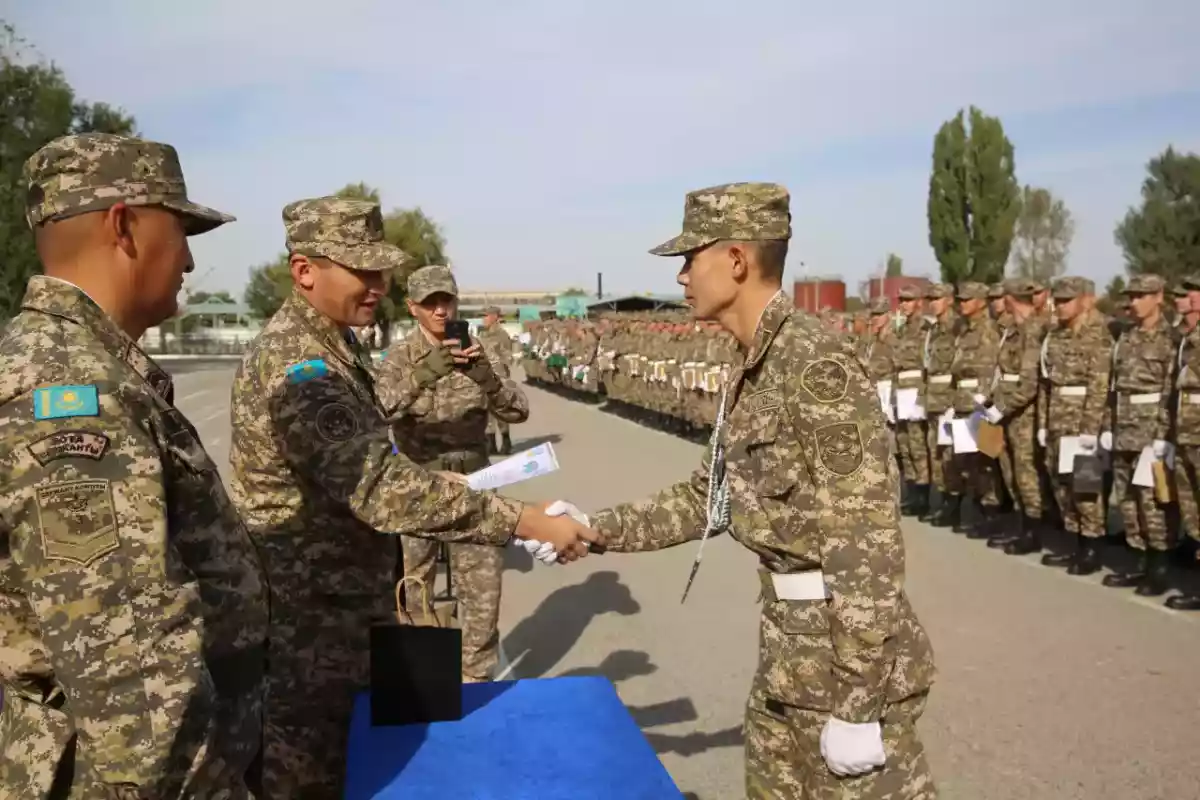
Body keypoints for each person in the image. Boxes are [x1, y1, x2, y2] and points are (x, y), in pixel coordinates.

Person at [570, 183, 937, 799]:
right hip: (789, 659)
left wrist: (856, 703)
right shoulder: (752, 364)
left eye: (692, 257)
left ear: (736, 261)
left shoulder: (815, 365)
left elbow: (865, 544)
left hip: (841, 663)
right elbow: (708, 495)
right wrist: (592, 527)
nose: (683, 275)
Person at [227, 196, 596, 798]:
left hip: (343, 609)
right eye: (361, 270)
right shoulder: (301, 364)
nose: (378, 284)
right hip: (310, 627)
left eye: (382, 270)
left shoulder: (336, 347)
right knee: (311, 775)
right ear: (305, 271)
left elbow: (380, 462)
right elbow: (376, 484)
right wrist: (522, 520)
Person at [0, 132, 268, 797]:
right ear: (124, 225)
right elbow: (134, 688)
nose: (185, 260)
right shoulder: (71, 397)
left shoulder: (75, 366)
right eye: (180, 232)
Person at [376, 267, 529, 682]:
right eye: (430, 303)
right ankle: (425, 682)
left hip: (472, 486)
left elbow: (518, 410)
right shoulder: (399, 357)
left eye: (447, 301)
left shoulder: (480, 351)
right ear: (413, 308)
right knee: (413, 588)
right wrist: (426, 373)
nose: (441, 310)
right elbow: (376, 410)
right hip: (418, 487)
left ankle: (476, 682)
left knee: (482, 594)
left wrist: (487, 380)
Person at [1103, 274, 1177, 595]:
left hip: (1151, 429)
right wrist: (1108, 425)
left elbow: (1169, 391)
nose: (1134, 302)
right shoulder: (1127, 338)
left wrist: (1163, 436)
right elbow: (1113, 386)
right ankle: (1137, 562)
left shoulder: (1171, 339)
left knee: (1153, 501)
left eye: (1141, 295)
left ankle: (1159, 568)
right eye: (1131, 296)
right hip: (1124, 426)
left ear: (1159, 296)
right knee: (1128, 499)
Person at [476, 304, 518, 454]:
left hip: (499, 378)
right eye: (483, 316)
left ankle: (506, 442)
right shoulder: (482, 336)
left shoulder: (502, 335)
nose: (483, 319)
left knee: (501, 412)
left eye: (486, 316)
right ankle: (491, 443)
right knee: (487, 412)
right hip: (485, 378)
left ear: (494, 317)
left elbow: (508, 358)